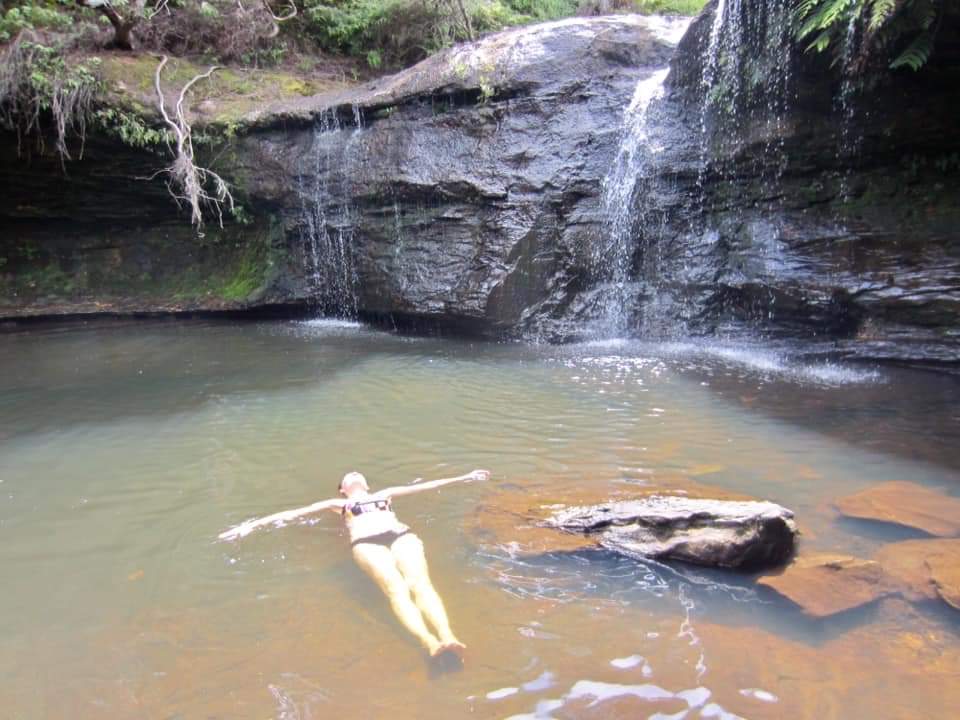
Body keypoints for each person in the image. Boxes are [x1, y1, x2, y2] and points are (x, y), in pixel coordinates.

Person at [218, 468, 491, 660]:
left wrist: (465, 477)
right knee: (397, 590)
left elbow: (426, 485)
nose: (354, 474)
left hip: (401, 535)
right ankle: (430, 642)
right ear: (342, 489)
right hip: (367, 543)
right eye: (348, 477)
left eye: (358, 474)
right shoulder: (337, 504)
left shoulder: (385, 494)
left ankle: (449, 635)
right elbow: (293, 513)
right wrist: (248, 527)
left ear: (367, 485)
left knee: (421, 584)